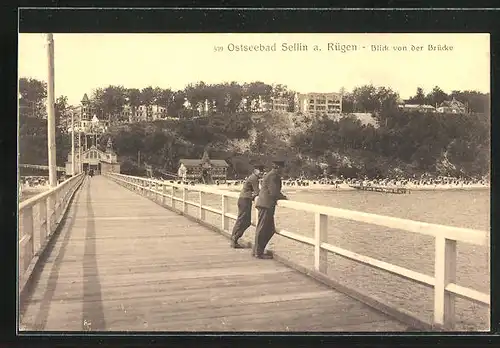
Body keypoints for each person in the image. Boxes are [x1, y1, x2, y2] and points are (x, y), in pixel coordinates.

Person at [253, 159, 288, 259]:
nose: (283, 170)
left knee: (269, 229)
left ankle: (257, 250)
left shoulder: (271, 175)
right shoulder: (273, 176)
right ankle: (258, 252)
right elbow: (274, 192)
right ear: (278, 167)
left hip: (265, 204)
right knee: (263, 229)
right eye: (282, 168)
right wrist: (284, 198)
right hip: (266, 205)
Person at [230, 163, 266, 248]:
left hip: (244, 200)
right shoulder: (254, 178)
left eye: (262, 171)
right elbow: (257, 192)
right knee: (242, 220)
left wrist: (253, 195)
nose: (261, 172)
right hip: (245, 200)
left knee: (245, 221)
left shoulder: (252, 177)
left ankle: (234, 238)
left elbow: (255, 192)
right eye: (260, 171)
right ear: (255, 171)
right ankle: (234, 239)